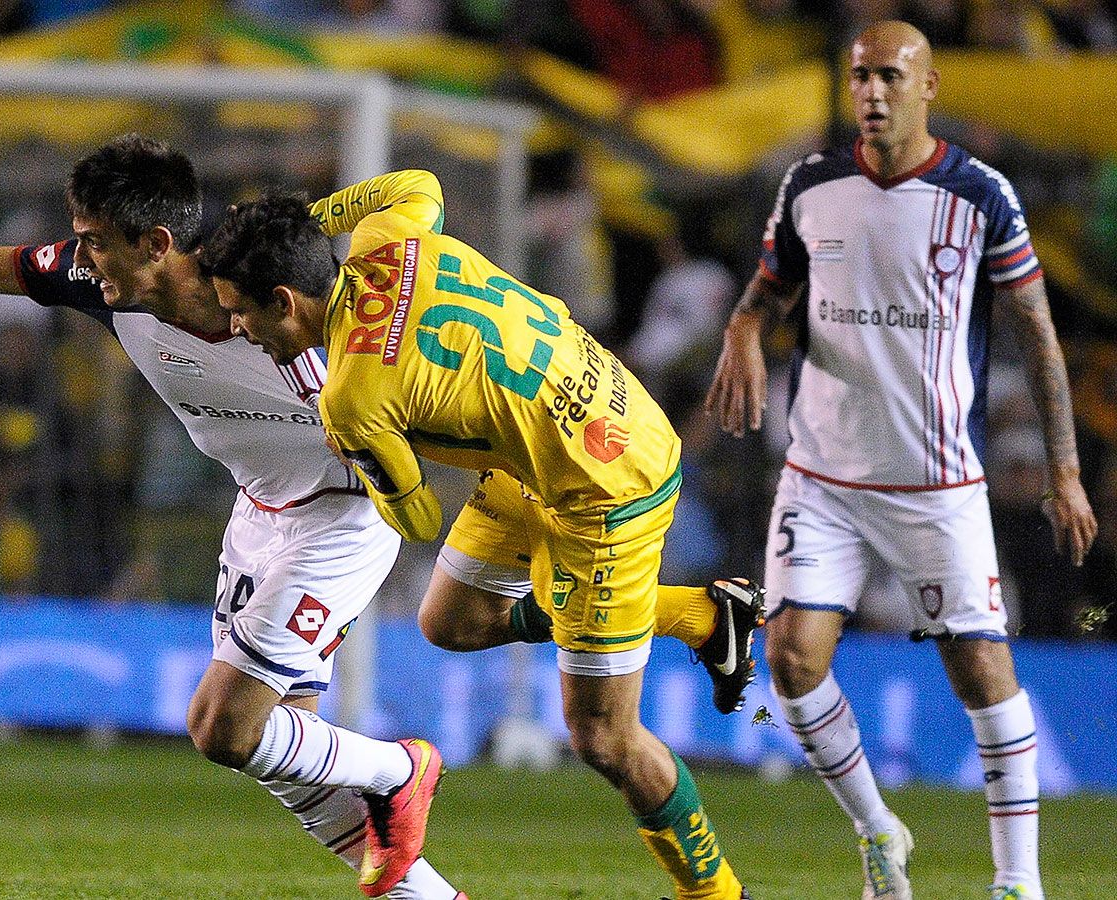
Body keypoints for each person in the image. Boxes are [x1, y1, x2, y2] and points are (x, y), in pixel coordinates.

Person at [0, 134, 466, 900]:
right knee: (283, 752)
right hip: (261, 504)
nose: (82, 257)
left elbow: (402, 347)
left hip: (347, 510)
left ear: (157, 243)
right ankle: (429, 895)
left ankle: (400, 770)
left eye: (96, 243)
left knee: (225, 727)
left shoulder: (269, 289)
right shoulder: (98, 281)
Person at [202, 172, 763, 900]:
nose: (240, 332)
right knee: (452, 621)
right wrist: (307, 223)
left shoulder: (352, 395)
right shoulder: (386, 238)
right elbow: (417, 183)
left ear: (284, 299)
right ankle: (698, 614)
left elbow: (416, 520)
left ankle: (715, 892)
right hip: (573, 429)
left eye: (242, 315)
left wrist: (368, 459)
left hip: (606, 489)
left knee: (603, 737)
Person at [704, 21, 1097, 900]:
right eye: (859, 77)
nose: (872, 94)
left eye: (890, 76)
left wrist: (1065, 470)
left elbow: (1036, 332)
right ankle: (879, 829)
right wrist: (742, 329)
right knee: (792, 662)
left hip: (938, 484)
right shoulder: (811, 184)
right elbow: (769, 288)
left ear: (929, 86)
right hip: (824, 476)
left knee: (982, 671)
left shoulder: (980, 194)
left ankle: (1017, 883)